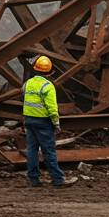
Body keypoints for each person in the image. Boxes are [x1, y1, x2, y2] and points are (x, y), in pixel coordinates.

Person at [22, 55, 73, 188]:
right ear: (50, 72)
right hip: (43, 122)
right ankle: (58, 179)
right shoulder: (47, 86)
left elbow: (24, 97)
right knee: (48, 151)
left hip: (29, 120)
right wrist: (56, 123)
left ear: (35, 69)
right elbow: (52, 108)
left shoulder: (28, 83)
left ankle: (33, 179)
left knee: (32, 150)